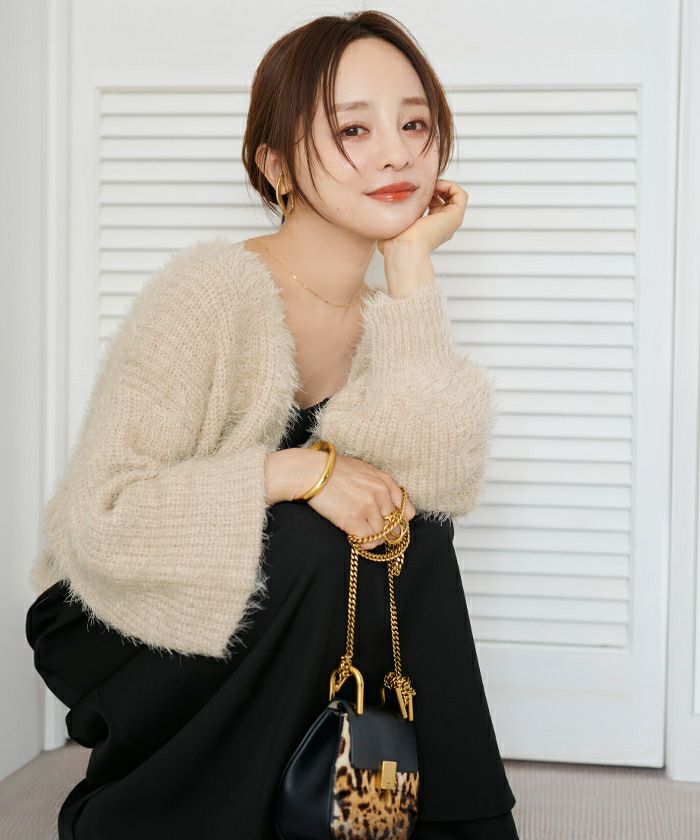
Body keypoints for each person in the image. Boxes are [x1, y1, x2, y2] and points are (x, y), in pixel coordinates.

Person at [26, 10, 519, 839]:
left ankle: (442, 823)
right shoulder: (208, 295)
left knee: (409, 523)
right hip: (114, 612)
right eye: (353, 129)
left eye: (414, 125)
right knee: (315, 534)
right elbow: (101, 521)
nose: (396, 153)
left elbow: (441, 481)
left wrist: (411, 271)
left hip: (285, 607)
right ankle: (147, 812)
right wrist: (294, 473)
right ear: (276, 163)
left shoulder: (385, 315)